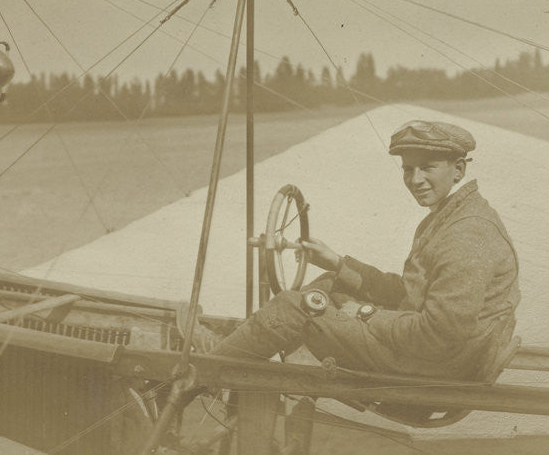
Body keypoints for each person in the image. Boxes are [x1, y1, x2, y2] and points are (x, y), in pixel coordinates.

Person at [210, 120, 521, 382]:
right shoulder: (453, 216)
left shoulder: (467, 234)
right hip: (440, 358)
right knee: (333, 282)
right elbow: (411, 294)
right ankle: (236, 352)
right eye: (408, 169)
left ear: (459, 170)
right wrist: (339, 263)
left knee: (296, 305)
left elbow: (438, 335)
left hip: (434, 368)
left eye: (428, 168)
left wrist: (366, 314)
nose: (415, 180)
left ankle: (202, 373)